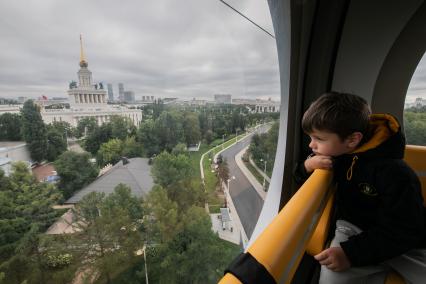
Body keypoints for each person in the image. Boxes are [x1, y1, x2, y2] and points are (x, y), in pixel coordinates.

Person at [294, 92, 426, 283]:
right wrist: (307, 166)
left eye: (318, 139)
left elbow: (407, 228)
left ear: (352, 140)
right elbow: (299, 174)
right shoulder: (339, 155)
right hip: (352, 229)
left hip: (404, 242)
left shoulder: (397, 175)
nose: (311, 145)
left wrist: (350, 254)